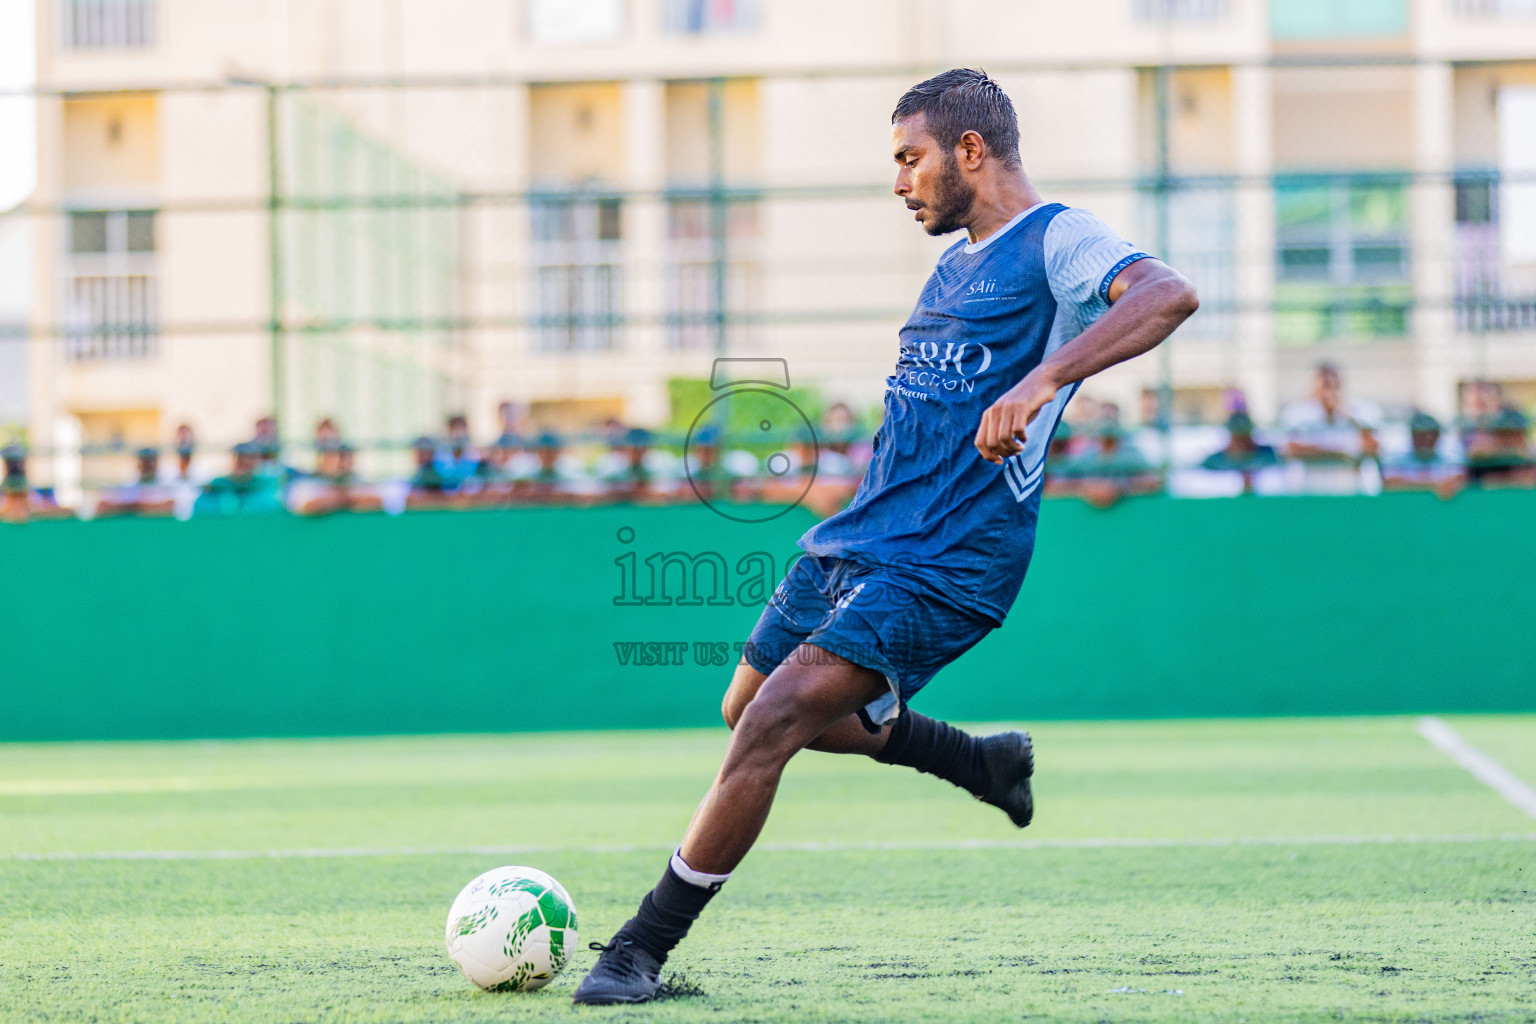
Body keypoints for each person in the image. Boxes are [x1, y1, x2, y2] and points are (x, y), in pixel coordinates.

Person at [572, 68, 1198, 1005]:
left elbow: (1167, 294)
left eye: (912, 158)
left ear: (971, 151)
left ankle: (638, 950)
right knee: (745, 708)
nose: (900, 181)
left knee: (774, 725)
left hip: (950, 559)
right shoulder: (953, 266)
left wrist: (1041, 382)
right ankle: (977, 761)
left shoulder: (1057, 238)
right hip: (860, 538)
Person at [1279, 362, 1380, 495]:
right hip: (1309, 489)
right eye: (1324, 385)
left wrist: (1346, 415)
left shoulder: (1359, 410)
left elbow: (1372, 447)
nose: (1328, 391)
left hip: (1349, 488)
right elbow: (1291, 449)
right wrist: (1343, 453)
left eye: (1333, 384)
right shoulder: (1296, 412)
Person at [1381, 412, 1465, 499]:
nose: (1426, 440)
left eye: (1431, 435)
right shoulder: (1398, 461)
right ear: (1412, 436)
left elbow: (1459, 480)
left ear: (1437, 436)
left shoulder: (1450, 462)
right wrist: (1433, 485)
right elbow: (1391, 482)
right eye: (1420, 435)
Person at [1198, 412, 1282, 496]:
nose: (1241, 442)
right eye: (1237, 437)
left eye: (1244, 437)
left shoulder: (1268, 456)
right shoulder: (1214, 461)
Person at [192, 443, 286, 517]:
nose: (246, 462)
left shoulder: (265, 485)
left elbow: (272, 506)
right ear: (234, 459)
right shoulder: (218, 484)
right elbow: (201, 506)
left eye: (252, 458)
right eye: (241, 458)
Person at [94, 447, 177, 517]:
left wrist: (133, 506)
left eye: (150, 461)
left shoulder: (165, 487)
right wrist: (143, 506)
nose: (147, 465)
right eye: (144, 461)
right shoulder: (128, 487)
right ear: (138, 464)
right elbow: (102, 505)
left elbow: (170, 506)